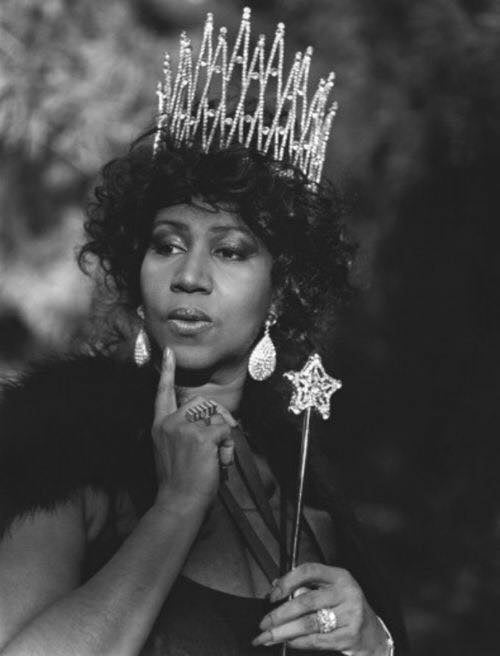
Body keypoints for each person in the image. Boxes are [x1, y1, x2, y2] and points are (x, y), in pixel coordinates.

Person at [0, 8, 408, 656]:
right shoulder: (64, 450)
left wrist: (373, 641)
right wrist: (177, 507)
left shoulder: (304, 493)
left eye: (230, 251)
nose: (189, 277)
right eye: (167, 244)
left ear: (281, 290)